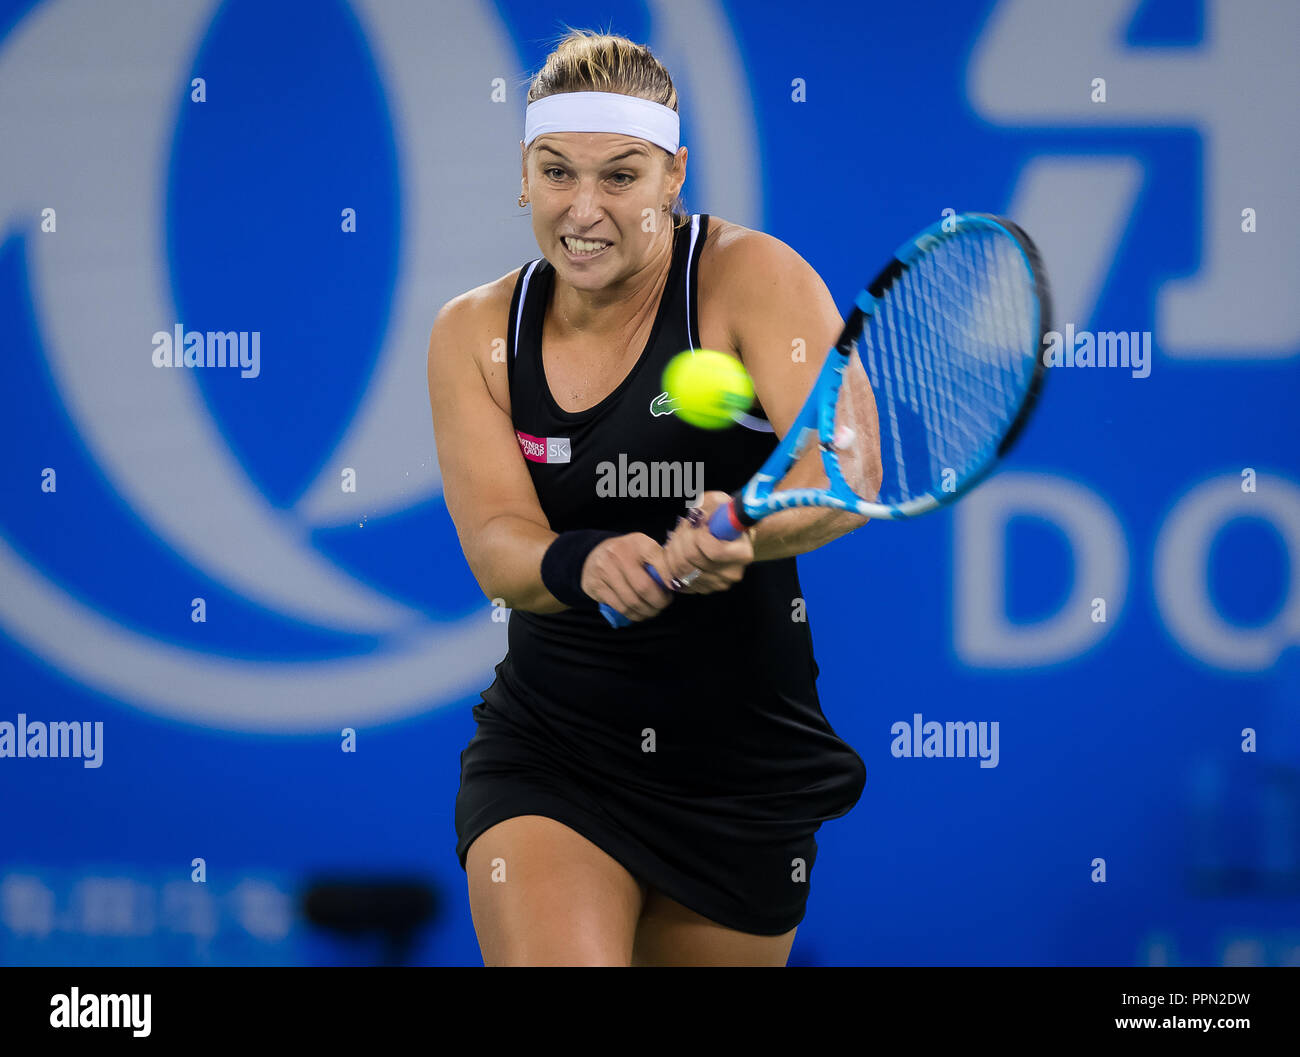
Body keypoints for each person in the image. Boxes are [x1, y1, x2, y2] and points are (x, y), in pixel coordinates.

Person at [427, 29, 881, 966]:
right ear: (523, 173)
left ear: (675, 177)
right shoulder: (473, 332)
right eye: (556, 172)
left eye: (621, 177)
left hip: (741, 766)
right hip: (553, 750)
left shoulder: (752, 277)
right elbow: (497, 543)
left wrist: (743, 533)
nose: (583, 210)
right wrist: (585, 560)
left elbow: (842, 472)